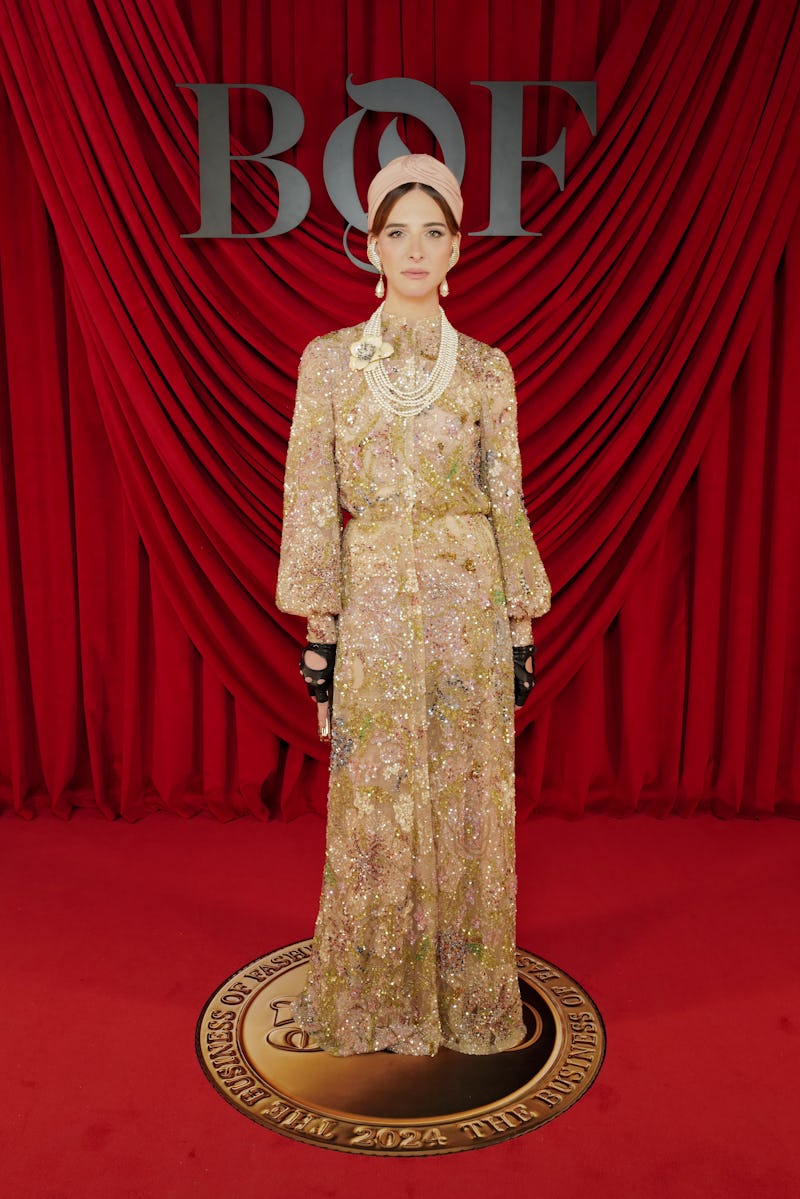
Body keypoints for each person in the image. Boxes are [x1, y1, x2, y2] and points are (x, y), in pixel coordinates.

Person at [276, 154, 551, 1057]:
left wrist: (518, 625)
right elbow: (313, 498)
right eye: (399, 231)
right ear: (370, 244)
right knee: (376, 797)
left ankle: (467, 994)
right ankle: (378, 997)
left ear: (460, 247)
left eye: (435, 230)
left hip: (468, 598)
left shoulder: (486, 369)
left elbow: (505, 496)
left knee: (468, 798)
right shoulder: (329, 363)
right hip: (377, 609)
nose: (417, 248)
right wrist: (323, 633)